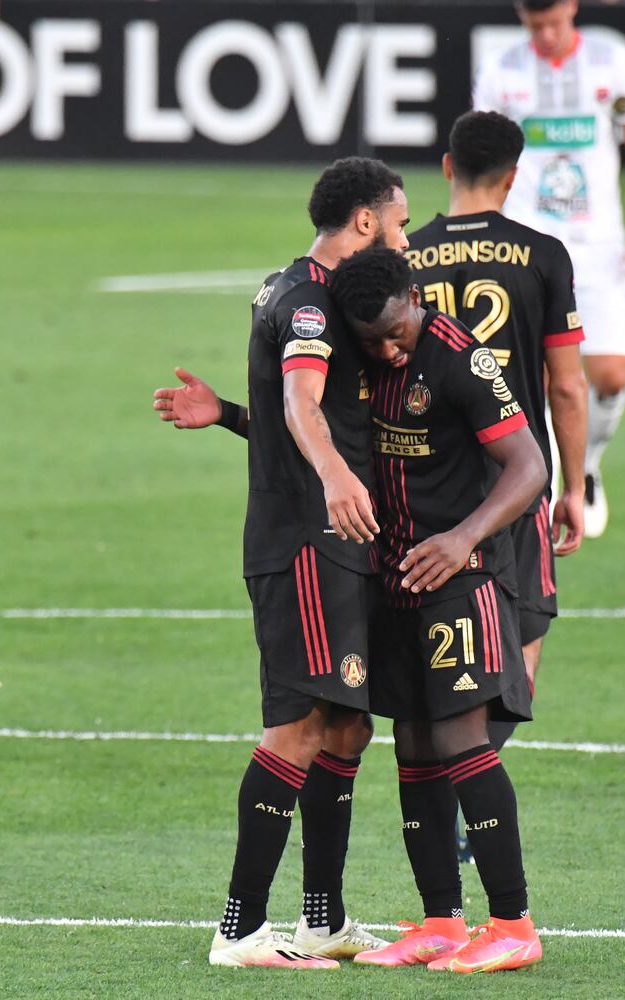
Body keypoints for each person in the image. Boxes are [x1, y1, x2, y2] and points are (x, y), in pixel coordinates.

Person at [160, 158, 409, 969]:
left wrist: (227, 414)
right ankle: (237, 929)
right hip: (307, 541)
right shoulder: (305, 300)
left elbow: (284, 411)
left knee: (345, 727)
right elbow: (303, 404)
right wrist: (338, 475)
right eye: (399, 221)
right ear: (364, 223)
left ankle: (322, 919)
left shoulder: (296, 288)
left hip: (333, 539)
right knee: (297, 729)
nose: (404, 236)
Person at [324, 246, 547, 974]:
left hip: (464, 574)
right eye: (373, 341)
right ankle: (441, 923)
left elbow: (528, 467)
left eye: (397, 332)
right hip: (397, 580)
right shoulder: (362, 360)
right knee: (414, 744)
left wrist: (462, 538)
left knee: (459, 736)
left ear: (415, 298)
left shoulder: (462, 358)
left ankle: (513, 923)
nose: (388, 350)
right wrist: (227, 414)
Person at [406, 109, 588, 863]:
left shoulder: (404, 255)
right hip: (512, 479)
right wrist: (573, 486)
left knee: (428, 637)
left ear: (446, 167)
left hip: (420, 479)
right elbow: (567, 386)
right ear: (514, 177)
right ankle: (470, 786)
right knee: (523, 634)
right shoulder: (542, 254)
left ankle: (442, 789)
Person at [473, 0, 625, 537]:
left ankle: (587, 463)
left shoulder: (612, 59)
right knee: (534, 373)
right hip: (526, 245)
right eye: (536, 25)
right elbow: (480, 157)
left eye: (555, 21)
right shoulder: (502, 70)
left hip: (598, 242)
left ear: (573, 8)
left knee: (609, 374)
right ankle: (547, 479)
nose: (548, 33)